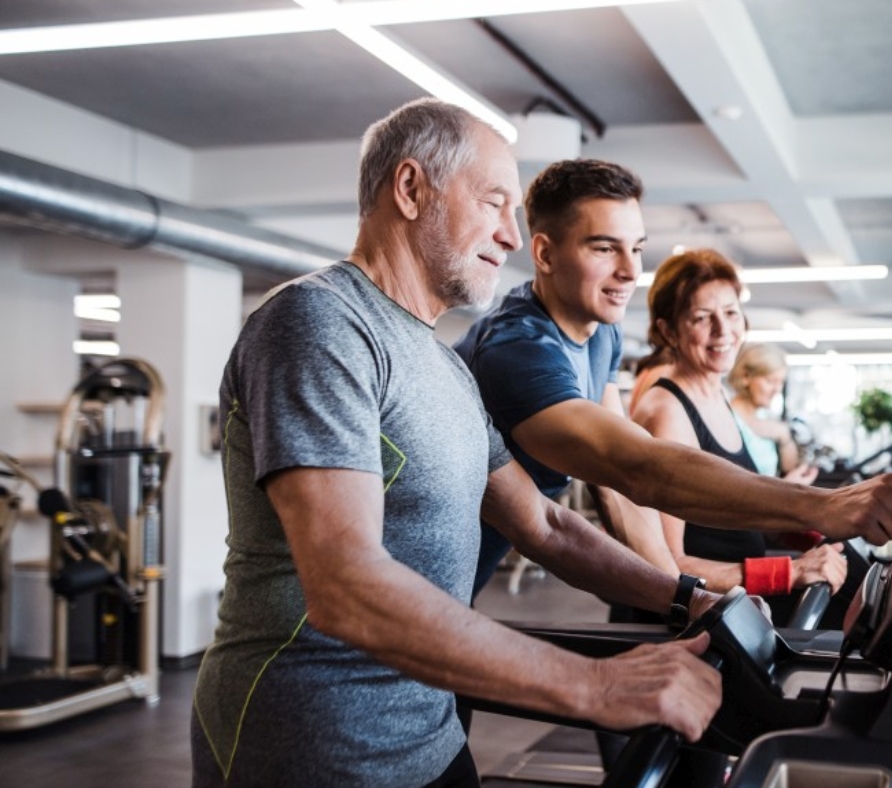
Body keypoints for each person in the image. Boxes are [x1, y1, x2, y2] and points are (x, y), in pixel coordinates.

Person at [190, 98, 722, 788]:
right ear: (411, 189)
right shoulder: (318, 323)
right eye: (495, 202)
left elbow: (547, 524)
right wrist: (597, 688)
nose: (511, 236)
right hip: (311, 744)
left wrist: (687, 597)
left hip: (432, 732)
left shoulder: (443, 362)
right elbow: (346, 586)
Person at [455, 159, 892, 596]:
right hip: (410, 572)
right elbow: (636, 467)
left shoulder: (599, 334)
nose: (631, 270)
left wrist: (683, 601)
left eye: (637, 248)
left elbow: (615, 490)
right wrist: (821, 508)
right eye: (606, 248)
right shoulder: (519, 350)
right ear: (543, 254)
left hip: (457, 580)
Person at [629, 250, 847, 615]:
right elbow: (667, 565)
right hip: (694, 620)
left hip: (738, 605)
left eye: (730, 313)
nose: (723, 330)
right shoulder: (668, 413)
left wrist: (809, 525)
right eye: (702, 317)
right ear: (669, 331)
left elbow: (726, 519)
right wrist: (787, 572)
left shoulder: (716, 396)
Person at [728, 343, 816, 484]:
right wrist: (785, 487)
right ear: (745, 376)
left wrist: (784, 437)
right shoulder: (727, 418)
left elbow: (789, 468)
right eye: (770, 381)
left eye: (780, 382)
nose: (777, 389)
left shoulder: (764, 417)